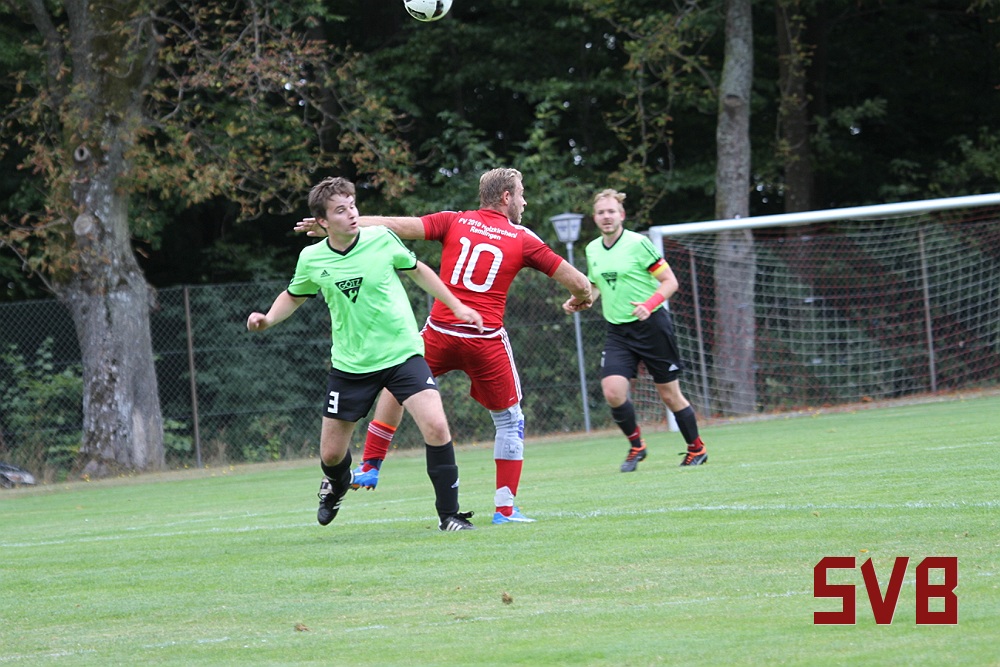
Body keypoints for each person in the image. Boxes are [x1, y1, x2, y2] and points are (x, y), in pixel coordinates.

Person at [295, 168, 593, 524]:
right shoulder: (521, 237)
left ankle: (372, 464)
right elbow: (578, 281)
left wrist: (336, 228)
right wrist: (581, 298)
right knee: (509, 420)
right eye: (521, 193)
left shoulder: (455, 221)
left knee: (396, 382)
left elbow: (397, 224)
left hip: (440, 331)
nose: (524, 201)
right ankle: (504, 509)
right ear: (506, 197)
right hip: (484, 338)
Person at [248, 176, 484, 531]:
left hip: (402, 354)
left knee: (436, 426)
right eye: (340, 210)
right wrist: (267, 319)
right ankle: (337, 484)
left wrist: (457, 306)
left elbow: (418, 271)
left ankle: (449, 515)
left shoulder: (381, 239)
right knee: (331, 454)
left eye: (353, 206)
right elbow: (294, 295)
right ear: (323, 221)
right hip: (351, 366)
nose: (352, 214)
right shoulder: (312, 258)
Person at [564, 188, 708, 471]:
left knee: (669, 395)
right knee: (612, 391)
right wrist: (580, 299)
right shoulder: (593, 249)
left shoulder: (638, 243)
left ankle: (697, 448)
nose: (606, 216)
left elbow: (670, 281)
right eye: (601, 212)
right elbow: (596, 286)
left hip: (652, 327)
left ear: (622, 215)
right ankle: (637, 446)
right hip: (618, 331)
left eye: (611, 211)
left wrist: (649, 304)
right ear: (595, 217)